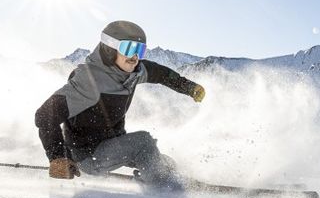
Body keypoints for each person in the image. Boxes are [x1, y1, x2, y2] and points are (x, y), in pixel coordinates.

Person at [34, 20, 205, 188]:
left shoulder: (134, 71)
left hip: (112, 144)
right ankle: (164, 186)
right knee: (144, 143)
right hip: (87, 155)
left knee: (166, 162)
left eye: (140, 50)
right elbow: (45, 115)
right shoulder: (89, 80)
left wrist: (189, 87)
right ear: (109, 49)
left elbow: (161, 73)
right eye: (128, 48)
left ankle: (166, 178)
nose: (135, 57)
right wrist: (57, 158)